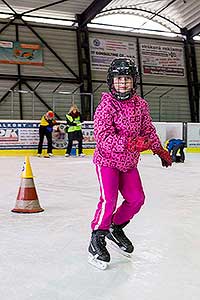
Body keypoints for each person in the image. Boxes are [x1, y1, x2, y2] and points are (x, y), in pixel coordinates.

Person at [88, 58, 172, 269]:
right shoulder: (107, 105)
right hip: (107, 160)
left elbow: (148, 130)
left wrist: (158, 149)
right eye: (118, 79)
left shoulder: (140, 105)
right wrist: (130, 142)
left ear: (134, 81)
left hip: (128, 163)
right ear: (111, 81)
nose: (123, 83)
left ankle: (115, 228)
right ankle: (97, 237)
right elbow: (102, 137)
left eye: (127, 79)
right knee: (109, 200)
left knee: (136, 199)